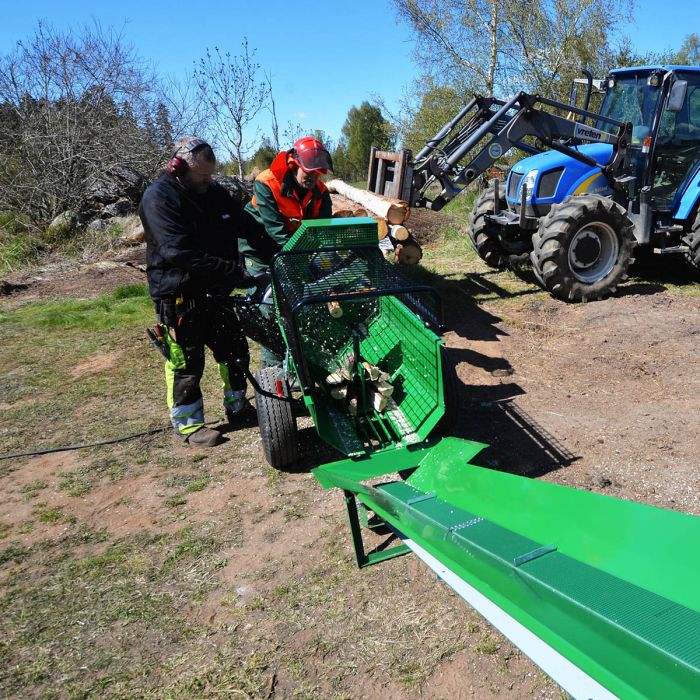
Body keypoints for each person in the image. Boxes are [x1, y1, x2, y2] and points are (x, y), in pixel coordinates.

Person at [139, 136, 255, 447]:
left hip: (215, 291)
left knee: (234, 350)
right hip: (178, 294)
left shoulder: (212, 192)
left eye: (211, 174)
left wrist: (279, 252)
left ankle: (239, 406)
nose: (208, 181)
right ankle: (189, 426)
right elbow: (179, 252)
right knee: (187, 361)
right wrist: (232, 271)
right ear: (178, 168)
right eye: (202, 175)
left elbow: (247, 225)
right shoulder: (159, 198)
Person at [239, 136, 334, 365]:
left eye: (317, 173)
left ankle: (302, 357)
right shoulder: (267, 182)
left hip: (292, 246)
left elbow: (323, 231)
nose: (312, 177)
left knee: (301, 297)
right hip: (259, 246)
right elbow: (276, 231)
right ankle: (272, 367)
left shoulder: (321, 192)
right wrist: (300, 259)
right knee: (269, 306)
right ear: (294, 165)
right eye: (307, 172)